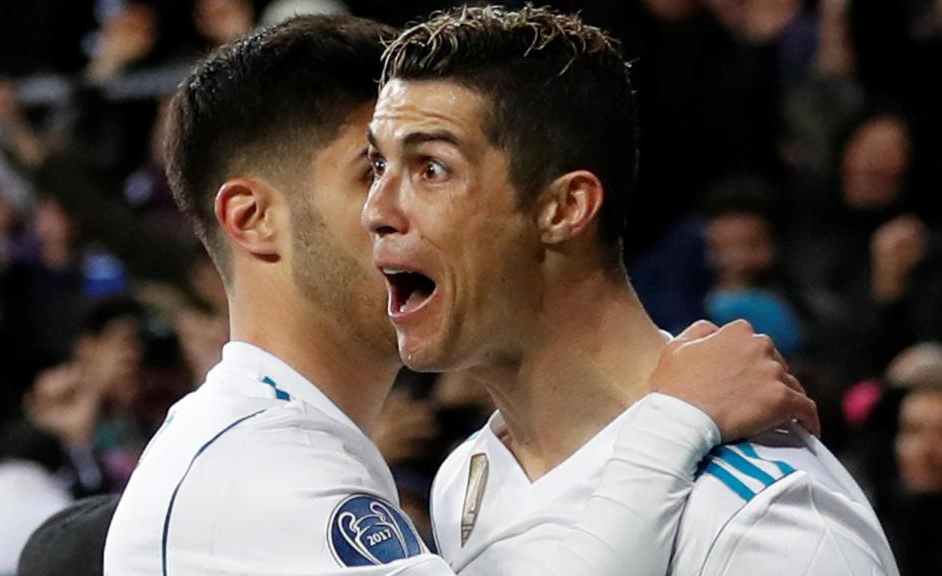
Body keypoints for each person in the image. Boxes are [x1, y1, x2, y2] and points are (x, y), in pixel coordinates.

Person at [104, 15, 811, 576]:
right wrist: (677, 420)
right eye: (371, 170)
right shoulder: (254, 471)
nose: (388, 210)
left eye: (427, 170)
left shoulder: (335, 458)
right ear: (253, 219)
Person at [364, 5, 896, 575]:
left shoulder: (768, 522)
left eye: (432, 169)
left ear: (565, 208)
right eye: (377, 167)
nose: (376, 210)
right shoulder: (470, 478)